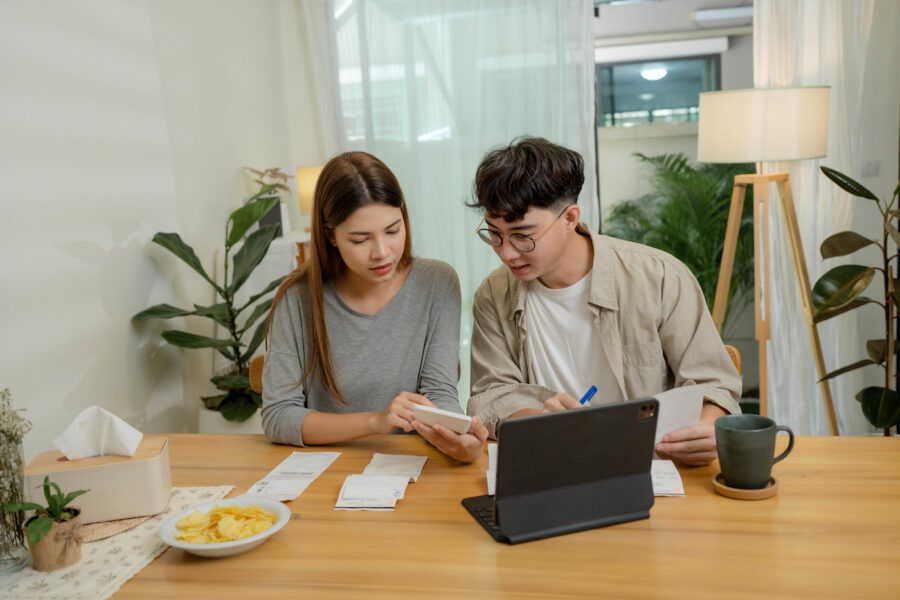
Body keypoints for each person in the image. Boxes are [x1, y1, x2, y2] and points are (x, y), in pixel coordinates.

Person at [466, 137, 741, 466]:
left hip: (651, 465)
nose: (506, 252)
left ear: (570, 218)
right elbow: (492, 394)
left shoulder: (659, 278)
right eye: (494, 234)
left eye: (522, 236)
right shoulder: (494, 294)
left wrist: (708, 426)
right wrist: (540, 420)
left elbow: (714, 382)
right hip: (552, 462)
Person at [262, 151, 487, 462]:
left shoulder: (437, 282)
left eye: (393, 230)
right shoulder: (297, 298)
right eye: (360, 239)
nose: (381, 252)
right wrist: (375, 422)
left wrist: (457, 436)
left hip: (408, 465)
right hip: (326, 467)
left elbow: (438, 393)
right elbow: (278, 417)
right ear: (331, 236)